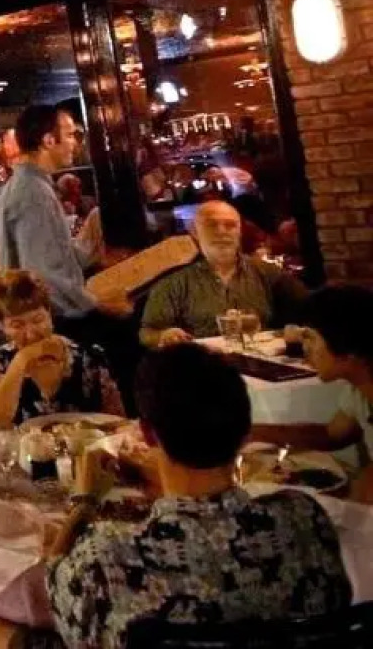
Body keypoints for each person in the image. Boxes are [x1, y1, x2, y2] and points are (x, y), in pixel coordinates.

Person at [47, 344, 350, 649]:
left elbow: (53, 587)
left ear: (148, 434)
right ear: (244, 431)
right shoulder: (305, 519)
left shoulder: (106, 557)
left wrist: (83, 502)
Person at [249, 285, 373, 503]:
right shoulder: (358, 388)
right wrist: (252, 431)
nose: (304, 348)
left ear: (349, 349)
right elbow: (332, 435)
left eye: (310, 338)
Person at [140, 199, 310, 348]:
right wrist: (163, 336)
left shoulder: (268, 273)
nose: (221, 231)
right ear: (194, 231)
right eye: (211, 225)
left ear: (239, 231)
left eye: (230, 225)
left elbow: (309, 306)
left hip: (262, 362)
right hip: (204, 366)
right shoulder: (174, 281)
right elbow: (147, 332)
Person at [0, 104, 102, 324]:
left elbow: (54, 256)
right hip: (58, 321)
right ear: (49, 141)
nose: (75, 143)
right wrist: (96, 305)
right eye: (70, 135)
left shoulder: (26, 186)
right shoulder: (33, 192)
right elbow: (44, 275)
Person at [0, 270, 124, 430]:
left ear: (49, 314)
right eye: (17, 325)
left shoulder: (89, 356)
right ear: (3, 327)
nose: (31, 334)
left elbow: (117, 421)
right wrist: (21, 361)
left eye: (37, 320)